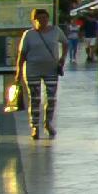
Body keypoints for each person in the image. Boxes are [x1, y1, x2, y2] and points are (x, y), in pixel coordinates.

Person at [15, 7, 68, 140]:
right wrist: (18, 72)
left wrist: (62, 58)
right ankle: (34, 126)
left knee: (51, 98)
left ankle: (48, 123)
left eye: (44, 18)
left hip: (51, 68)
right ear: (34, 20)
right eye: (39, 19)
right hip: (32, 69)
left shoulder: (56, 31)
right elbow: (21, 54)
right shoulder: (28, 34)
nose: (42, 21)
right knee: (35, 98)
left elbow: (66, 43)